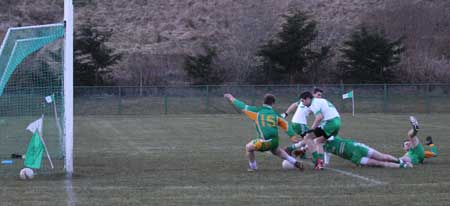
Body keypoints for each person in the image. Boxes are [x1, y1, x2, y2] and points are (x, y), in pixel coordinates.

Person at [224, 93, 304, 171]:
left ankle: (253, 167)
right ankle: (295, 162)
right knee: (277, 151)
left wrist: (231, 98)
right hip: (275, 141)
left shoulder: (257, 112)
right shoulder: (275, 114)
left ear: (263, 102)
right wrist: (292, 135)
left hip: (264, 141)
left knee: (248, 147)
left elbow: (242, 106)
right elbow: (286, 125)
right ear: (273, 103)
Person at [298, 91, 341, 170]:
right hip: (337, 122)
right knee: (318, 141)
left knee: (307, 137)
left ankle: (318, 162)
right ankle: (321, 163)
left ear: (308, 99)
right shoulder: (320, 101)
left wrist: (311, 129)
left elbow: (319, 117)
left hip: (330, 123)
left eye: (303, 101)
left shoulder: (314, 103)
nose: (303, 103)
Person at [323, 135, 410, 168]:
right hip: (354, 158)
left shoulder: (329, 137)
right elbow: (327, 155)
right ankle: (404, 166)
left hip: (359, 148)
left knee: (382, 157)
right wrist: (326, 163)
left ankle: (401, 161)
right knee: (379, 163)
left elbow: (323, 137)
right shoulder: (325, 147)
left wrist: (310, 144)